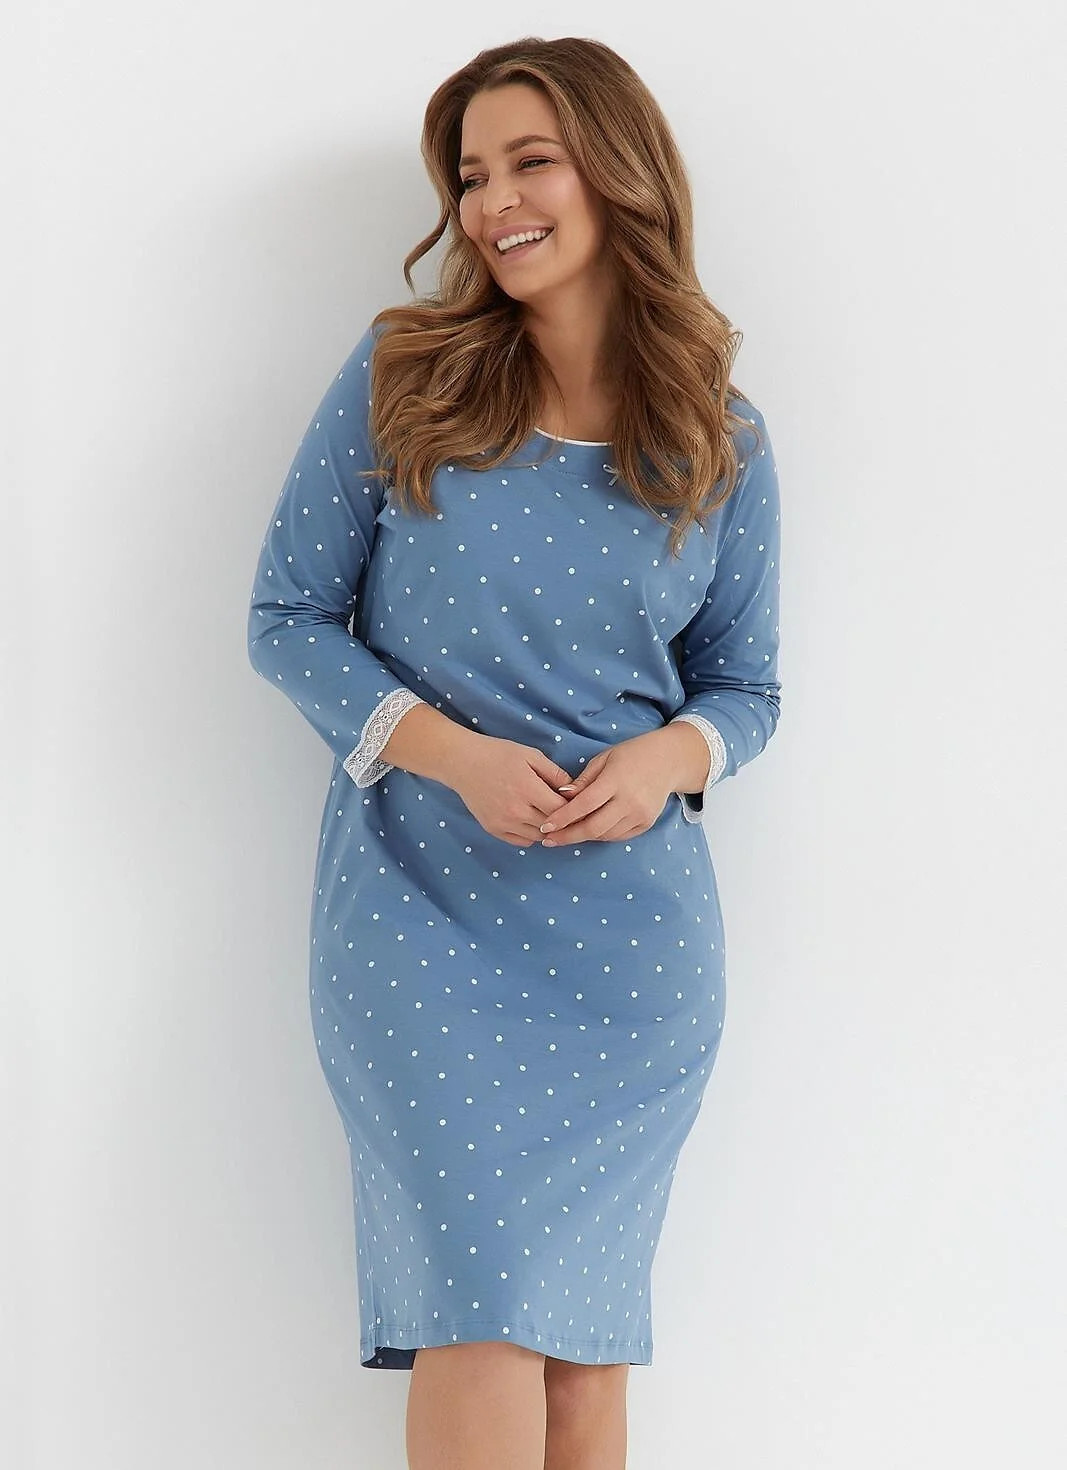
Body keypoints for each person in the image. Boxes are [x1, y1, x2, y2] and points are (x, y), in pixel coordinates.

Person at [246, 34, 782, 1470]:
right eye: (471, 176)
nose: (491, 204)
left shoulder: (721, 437)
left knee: (584, 1357)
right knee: (481, 1321)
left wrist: (667, 759)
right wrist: (453, 755)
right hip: (419, 922)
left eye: (528, 163)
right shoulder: (406, 373)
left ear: (619, 173)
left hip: (630, 953)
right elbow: (285, 618)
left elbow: (746, 690)